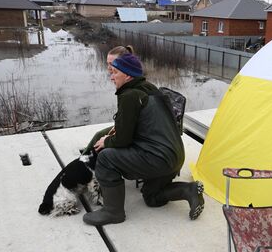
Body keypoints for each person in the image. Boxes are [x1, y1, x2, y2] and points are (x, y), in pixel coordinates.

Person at [82, 45, 204, 226]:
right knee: (151, 197)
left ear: (128, 75)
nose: (111, 76)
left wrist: (106, 141)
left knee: (107, 158)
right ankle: (189, 190)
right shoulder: (150, 88)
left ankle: (113, 212)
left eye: (115, 72)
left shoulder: (129, 95)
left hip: (158, 157)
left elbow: (123, 140)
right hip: (175, 156)